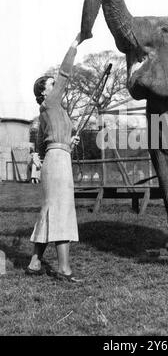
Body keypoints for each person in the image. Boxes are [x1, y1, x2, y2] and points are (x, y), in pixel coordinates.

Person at [26, 33, 83, 282]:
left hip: (59, 159)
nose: (55, 85)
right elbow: (65, 74)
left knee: (51, 210)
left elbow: (42, 144)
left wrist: (67, 143)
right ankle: (64, 270)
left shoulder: (53, 111)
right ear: (44, 93)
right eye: (51, 84)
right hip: (57, 164)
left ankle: (36, 262)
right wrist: (75, 44)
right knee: (61, 211)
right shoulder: (50, 103)